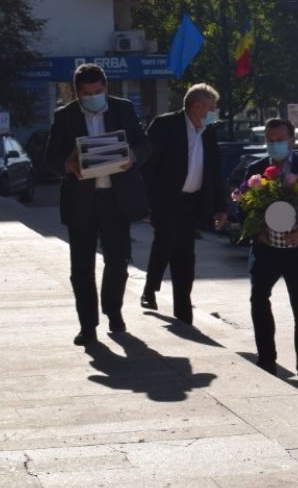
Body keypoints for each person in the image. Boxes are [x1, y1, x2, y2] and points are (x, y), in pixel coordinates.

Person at [45, 62, 152, 346]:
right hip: (81, 201)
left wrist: (132, 156)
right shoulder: (64, 116)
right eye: (86, 93)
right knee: (81, 267)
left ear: (105, 87)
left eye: (97, 91)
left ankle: (113, 311)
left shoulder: (123, 109)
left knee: (118, 261)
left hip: (116, 199)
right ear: (77, 93)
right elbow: (50, 159)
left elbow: (144, 144)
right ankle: (87, 326)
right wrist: (67, 164)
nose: (93, 96)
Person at [245, 117, 298, 383]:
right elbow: (241, 206)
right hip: (266, 249)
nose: (275, 144)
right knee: (258, 299)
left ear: (292, 141)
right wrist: (257, 230)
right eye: (270, 140)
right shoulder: (256, 170)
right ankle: (266, 357)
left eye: (280, 140)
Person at [140, 83, 227, 323]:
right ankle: (151, 288)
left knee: (185, 254)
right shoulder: (165, 125)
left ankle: (182, 307)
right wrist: (144, 204)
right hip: (166, 199)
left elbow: (214, 172)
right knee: (165, 242)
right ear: (197, 106)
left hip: (192, 202)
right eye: (212, 107)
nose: (215, 112)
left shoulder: (208, 132)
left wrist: (220, 207)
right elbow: (147, 166)